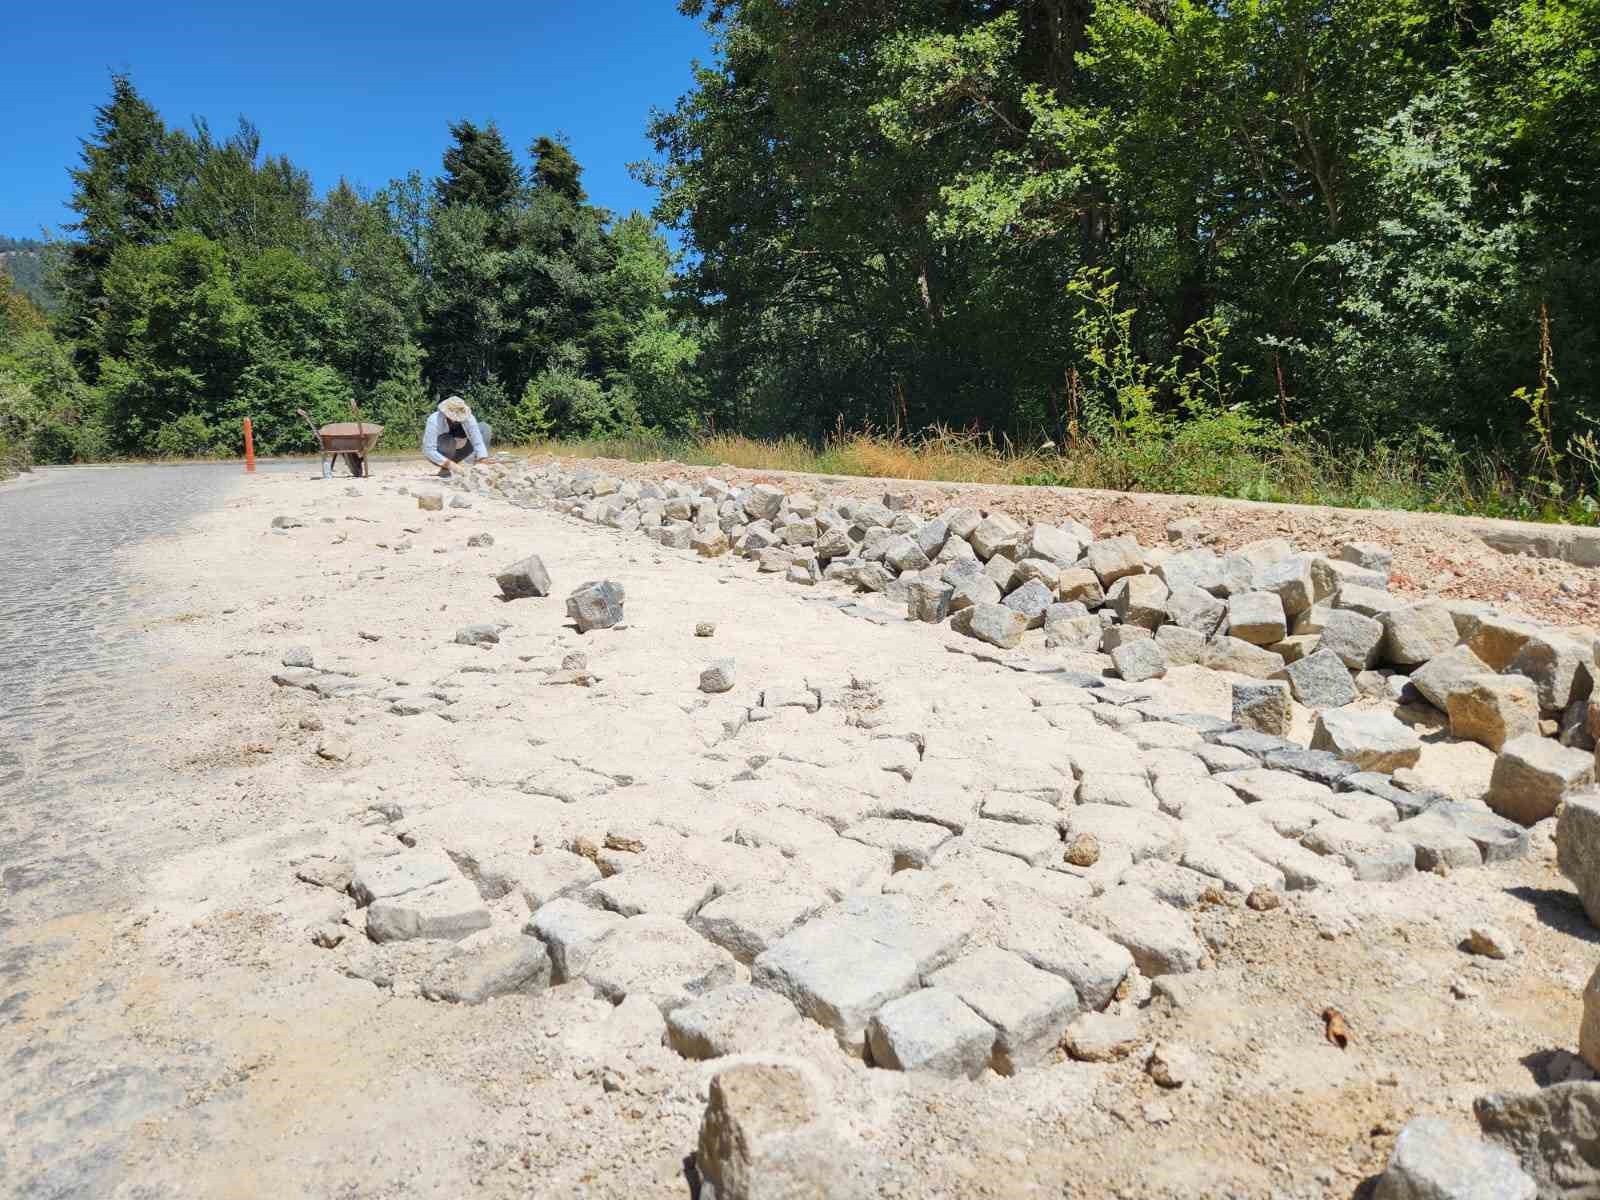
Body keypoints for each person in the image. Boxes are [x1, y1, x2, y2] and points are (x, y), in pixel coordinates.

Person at [422, 395, 492, 477]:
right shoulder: (434, 420)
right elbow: (429, 450)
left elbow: (478, 442)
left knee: (485, 428)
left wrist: (482, 458)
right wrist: (453, 466)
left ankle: (472, 465)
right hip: (441, 452)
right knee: (448, 440)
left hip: (461, 451)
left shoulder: (468, 417)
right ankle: (445, 467)